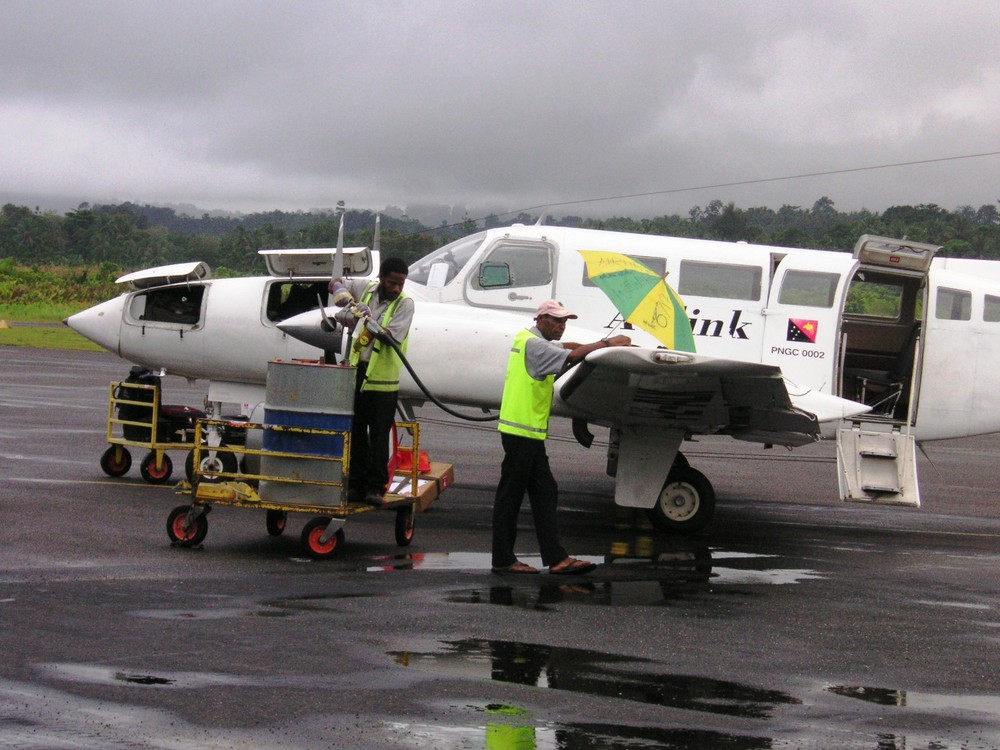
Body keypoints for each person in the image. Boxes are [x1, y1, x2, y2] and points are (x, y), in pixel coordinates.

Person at [492, 300, 631, 575]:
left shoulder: (533, 340)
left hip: (528, 433)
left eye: (565, 321)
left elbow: (567, 348)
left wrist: (596, 345)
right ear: (541, 318)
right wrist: (607, 343)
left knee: (545, 491)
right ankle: (504, 559)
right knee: (511, 496)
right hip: (521, 433)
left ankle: (556, 558)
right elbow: (572, 356)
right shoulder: (534, 344)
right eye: (556, 321)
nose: (562, 326)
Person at [331, 257, 414, 504]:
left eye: (400, 283)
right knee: (355, 432)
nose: (396, 288)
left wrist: (366, 319)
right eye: (392, 283)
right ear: (381, 278)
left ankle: (376, 488)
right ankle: (355, 485)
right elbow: (335, 283)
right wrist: (343, 296)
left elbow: (390, 337)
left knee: (378, 437)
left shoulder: (405, 304)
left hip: (383, 382)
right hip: (359, 374)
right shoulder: (366, 289)